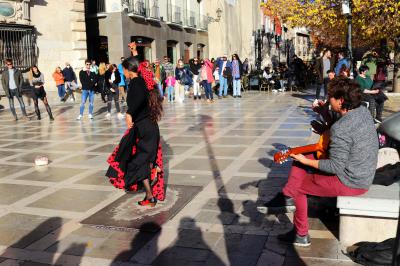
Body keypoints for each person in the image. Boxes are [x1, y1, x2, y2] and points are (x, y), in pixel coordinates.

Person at [257, 77, 379, 247]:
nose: (329, 99)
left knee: (300, 185)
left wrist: (306, 162)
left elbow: (335, 166)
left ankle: (300, 234)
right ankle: (287, 196)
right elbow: (341, 135)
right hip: (361, 171)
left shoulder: (342, 127)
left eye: (331, 97)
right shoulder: (362, 112)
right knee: (301, 162)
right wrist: (324, 115)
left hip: (352, 181)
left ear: (341, 100)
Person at [106, 56, 165, 205]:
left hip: (146, 129)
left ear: (128, 69)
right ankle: (149, 196)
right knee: (137, 162)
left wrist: (129, 113)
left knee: (133, 162)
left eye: (123, 69)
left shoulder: (137, 82)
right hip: (145, 127)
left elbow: (138, 100)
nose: (122, 71)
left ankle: (153, 176)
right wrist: (133, 51)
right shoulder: (138, 81)